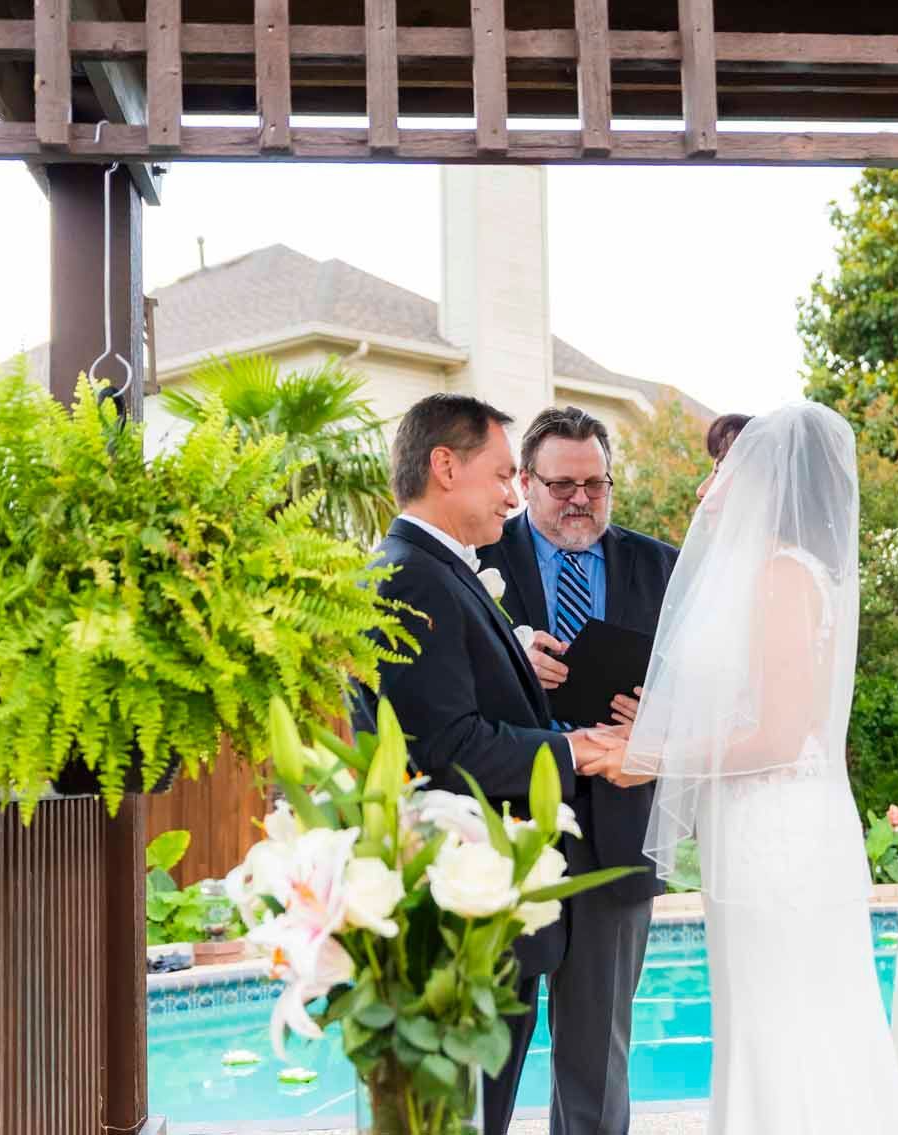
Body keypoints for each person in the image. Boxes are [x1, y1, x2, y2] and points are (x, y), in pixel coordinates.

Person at [616, 403, 898, 1135]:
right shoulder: (784, 572)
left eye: (724, 465)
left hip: (776, 835)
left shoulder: (783, 575)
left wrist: (652, 755)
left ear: (769, 481)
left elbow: (781, 737)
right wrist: (662, 730)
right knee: (772, 1018)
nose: (710, 485)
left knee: (788, 1024)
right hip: (767, 825)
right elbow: (753, 714)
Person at [351, 393, 623, 1135]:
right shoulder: (411, 577)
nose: (515, 492)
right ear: (445, 466)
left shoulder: (438, 569)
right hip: (463, 915)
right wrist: (574, 750)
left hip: (488, 911)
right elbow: (447, 748)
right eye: (504, 474)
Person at [476, 406, 678, 1135]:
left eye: (596, 483)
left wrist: (660, 712)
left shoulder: (664, 566)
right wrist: (510, 660)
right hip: (505, 835)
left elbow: (707, 692)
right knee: (487, 1047)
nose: (580, 499)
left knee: (597, 1056)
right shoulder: (477, 563)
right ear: (525, 481)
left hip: (620, 830)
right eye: (562, 484)